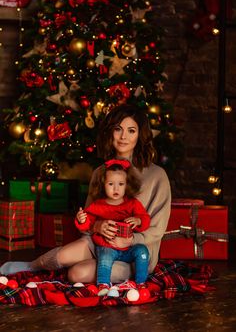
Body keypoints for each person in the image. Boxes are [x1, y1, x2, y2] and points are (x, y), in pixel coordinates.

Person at [0, 104, 171, 284]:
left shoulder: (156, 175)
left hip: (136, 251)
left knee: (76, 274)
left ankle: (101, 267)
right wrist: (97, 226)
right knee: (64, 255)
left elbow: (158, 228)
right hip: (101, 243)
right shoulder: (100, 172)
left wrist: (131, 240)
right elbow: (89, 218)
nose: (123, 137)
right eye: (118, 129)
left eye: (131, 131)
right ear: (110, 132)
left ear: (140, 135)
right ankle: (31, 266)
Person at [76, 158, 150, 296]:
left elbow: (145, 219)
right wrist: (81, 219)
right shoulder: (99, 205)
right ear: (103, 185)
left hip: (128, 249)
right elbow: (87, 224)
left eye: (120, 184)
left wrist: (138, 221)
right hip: (107, 247)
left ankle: (141, 283)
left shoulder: (133, 204)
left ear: (127, 185)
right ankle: (103, 284)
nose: (116, 189)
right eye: (111, 184)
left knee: (142, 250)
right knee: (105, 256)